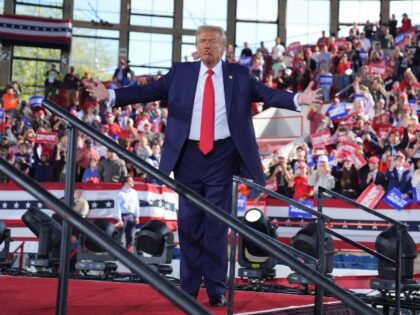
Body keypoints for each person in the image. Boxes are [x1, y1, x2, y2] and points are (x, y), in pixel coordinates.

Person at [85, 24, 321, 306]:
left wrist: (299, 98)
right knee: (188, 223)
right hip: (188, 156)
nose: (206, 45)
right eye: (201, 41)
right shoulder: (181, 73)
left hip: (222, 156)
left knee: (216, 225)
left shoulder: (240, 75)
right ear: (196, 46)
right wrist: (111, 95)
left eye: (211, 41)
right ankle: (188, 289)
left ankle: (216, 288)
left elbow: (268, 94)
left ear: (223, 47)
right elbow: (146, 92)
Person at [115, 176, 140, 252]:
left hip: (131, 215)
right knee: (120, 234)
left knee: (130, 234)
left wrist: (137, 216)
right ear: (125, 183)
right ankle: (117, 250)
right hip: (123, 216)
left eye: (132, 181)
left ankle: (129, 250)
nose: (132, 183)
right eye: (130, 181)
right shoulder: (120, 193)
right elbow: (117, 207)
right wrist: (119, 219)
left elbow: (136, 205)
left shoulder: (134, 192)